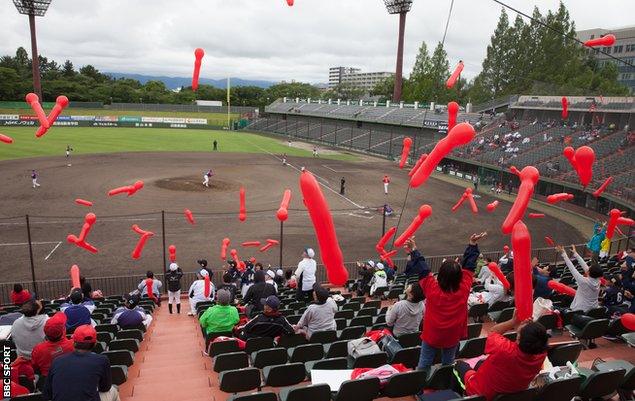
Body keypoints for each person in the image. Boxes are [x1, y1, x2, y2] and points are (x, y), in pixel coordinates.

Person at [417, 232, 487, 371]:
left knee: (424, 363)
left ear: (440, 275)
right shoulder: (464, 287)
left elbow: (423, 270)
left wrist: (413, 250)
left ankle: (419, 387)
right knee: (448, 363)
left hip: (432, 333)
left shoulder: (432, 288)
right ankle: (445, 383)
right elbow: (469, 267)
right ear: (458, 277)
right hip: (453, 333)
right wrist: (472, 245)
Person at [455, 316, 548, 401]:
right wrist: (525, 330)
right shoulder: (541, 354)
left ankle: (461, 395)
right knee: (481, 363)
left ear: (519, 339)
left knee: (458, 365)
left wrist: (513, 321)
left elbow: (493, 331)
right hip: (511, 393)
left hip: (481, 393)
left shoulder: (504, 350)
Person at [43, 324, 119, 401]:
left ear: (73, 342)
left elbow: (47, 394)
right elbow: (105, 387)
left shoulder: (57, 361)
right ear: (95, 343)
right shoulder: (102, 360)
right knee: (113, 390)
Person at [557, 244, 602, 313]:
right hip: (592, 309)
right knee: (567, 298)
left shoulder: (583, 281)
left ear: (589, 273)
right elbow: (585, 266)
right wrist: (575, 253)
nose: (587, 268)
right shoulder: (598, 281)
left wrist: (564, 253)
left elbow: (572, 268)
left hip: (579, 310)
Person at [31, 312, 74, 380]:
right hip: (70, 378)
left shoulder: (38, 349)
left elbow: (35, 367)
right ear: (64, 330)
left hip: (48, 382)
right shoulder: (73, 345)